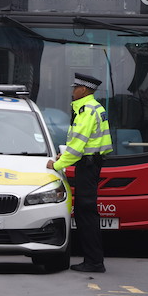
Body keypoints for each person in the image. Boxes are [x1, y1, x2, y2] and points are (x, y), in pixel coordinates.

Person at [48, 72, 113, 273]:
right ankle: (93, 259)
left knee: (86, 212)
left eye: (74, 88)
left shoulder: (86, 111)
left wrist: (57, 165)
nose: (72, 91)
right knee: (88, 212)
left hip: (87, 165)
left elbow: (77, 145)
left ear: (83, 90)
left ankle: (94, 261)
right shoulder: (96, 107)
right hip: (92, 163)